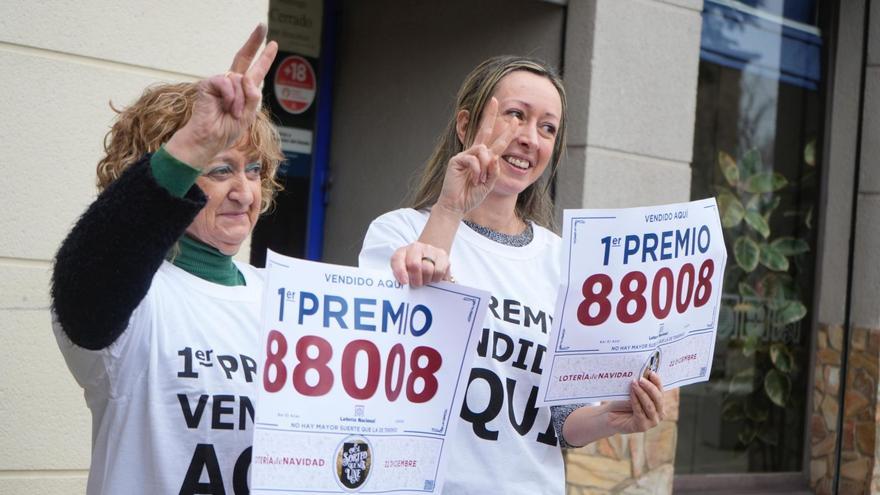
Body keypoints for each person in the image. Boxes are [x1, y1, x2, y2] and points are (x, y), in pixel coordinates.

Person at [359, 56, 667, 494]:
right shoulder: (398, 231)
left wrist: (615, 418)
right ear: (466, 125)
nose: (529, 139)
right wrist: (449, 209)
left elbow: (562, 421)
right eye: (516, 115)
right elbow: (390, 363)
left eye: (547, 128)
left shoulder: (563, 260)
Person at [51, 25, 281, 494]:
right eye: (220, 170)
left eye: (253, 170)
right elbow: (90, 277)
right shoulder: (135, 299)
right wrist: (194, 143)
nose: (245, 192)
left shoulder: (284, 301)